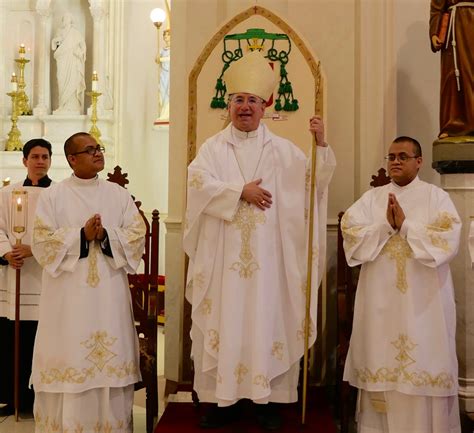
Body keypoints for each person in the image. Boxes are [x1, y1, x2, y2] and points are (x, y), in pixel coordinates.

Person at [184, 51, 336, 430]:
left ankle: (269, 400)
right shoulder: (211, 149)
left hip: (269, 263)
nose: (245, 107)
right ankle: (222, 401)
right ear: (229, 104)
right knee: (225, 318)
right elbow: (197, 185)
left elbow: (313, 186)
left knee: (269, 321)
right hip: (222, 262)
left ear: (265, 106)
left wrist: (320, 145)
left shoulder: (285, 152)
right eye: (239, 99)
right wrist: (239, 192)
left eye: (253, 100)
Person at [342, 136, 461, 432]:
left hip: (424, 304)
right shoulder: (372, 198)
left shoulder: (436, 197)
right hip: (381, 302)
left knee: (424, 358)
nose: (395, 161)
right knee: (381, 357)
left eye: (403, 156)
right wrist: (385, 226)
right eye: (391, 156)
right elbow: (351, 232)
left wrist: (406, 227)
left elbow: (448, 239)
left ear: (418, 162)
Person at [30, 132, 146, 432]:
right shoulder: (53, 196)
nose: (98, 153)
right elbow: (41, 243)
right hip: (68, 297)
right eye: (89, 150)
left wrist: (106, 235)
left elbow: (136, 235)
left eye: (99, 148)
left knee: (109, 360)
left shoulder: (117, 195)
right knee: (70, 355)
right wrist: (81, 236)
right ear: (72, 159)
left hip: (109, 293)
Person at [0, 138, 53, 415]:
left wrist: (36, 250)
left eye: (45, 156)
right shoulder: (7, 193)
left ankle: (41, 400)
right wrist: (8, 252)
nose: (40, 161)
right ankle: (13, 398)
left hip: (46, 280)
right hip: (14, 278)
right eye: (35, 156)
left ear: (51, 160)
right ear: (24, 161)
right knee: (12, 340)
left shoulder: (59, 194)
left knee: (40, 341)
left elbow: (63, 234)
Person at [430, 1, 474, 138]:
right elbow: (437, 7)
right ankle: (452, 125)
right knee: (454, 77)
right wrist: (434, 32)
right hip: (455, 29)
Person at [51, 13, 86, 114]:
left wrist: (79, 52)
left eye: (66, 18)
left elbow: (83, 47)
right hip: (62, 60)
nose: (65, 20)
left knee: (72, 81)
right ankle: (62, 106)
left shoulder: (75, 33)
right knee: (60, 79)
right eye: (63, 18)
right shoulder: (59, 32)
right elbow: (55, 46)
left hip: (72, 61)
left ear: (71, 20)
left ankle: (72, 107)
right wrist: (56, 41)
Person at [158, 29, 170, 120]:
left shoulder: (174, 48)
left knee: (169, 92)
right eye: (164, 35)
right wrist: (159, 58)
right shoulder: (162, 50)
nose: (165, 37)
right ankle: (163, 114)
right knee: (162, 93)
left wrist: (162, 59)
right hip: (164, 74)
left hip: (171, 73)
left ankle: (168, 113)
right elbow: (156, 59)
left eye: (167, 35)